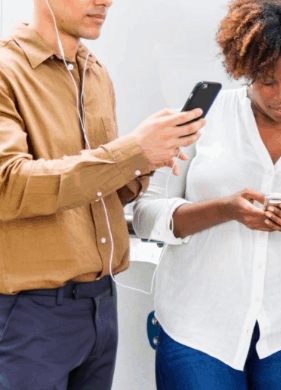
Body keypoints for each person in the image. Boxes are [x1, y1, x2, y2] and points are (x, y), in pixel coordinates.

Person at [132, 0, 281, 389]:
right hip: (195, 327)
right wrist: (224, 209)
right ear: (245, 69)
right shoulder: (200, 120)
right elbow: (146, 215)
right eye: (267, 80)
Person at [0, 0, 205, 387]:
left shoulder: (94, 73)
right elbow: (8, 186)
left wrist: (146, 159)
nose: (106, 1)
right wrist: (130, 151)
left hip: (101, 305)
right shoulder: (6, 72)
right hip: (29, 313)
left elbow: (98, 194)